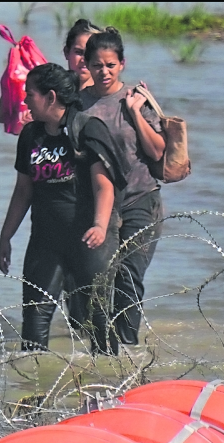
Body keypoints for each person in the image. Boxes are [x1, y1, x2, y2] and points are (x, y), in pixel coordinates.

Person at [0, 63, 125, 355]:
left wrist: (100, 226)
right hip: (45, 242)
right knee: (34, 325)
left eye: (30, 94)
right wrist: (6, 236)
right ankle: (34, 393)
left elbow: (104, 186)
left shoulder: (87, 130)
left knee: (98, 322)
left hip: (88, 241)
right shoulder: (31, 136)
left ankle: (108, 386)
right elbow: (23, 190)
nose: (25, 100)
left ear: (50, 97)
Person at [81, 28, 167, 348]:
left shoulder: (136, 99)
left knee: (128, 278)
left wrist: (133, 112)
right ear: (87, 66)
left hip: (141, 199)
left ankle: (128, 354)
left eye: (111, 65)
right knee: (99, 282)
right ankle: (103, 353)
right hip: (100, 206)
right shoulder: (79, 104)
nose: (104, 72)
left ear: (122, 64)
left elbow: (157, 151)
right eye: (97, 65)